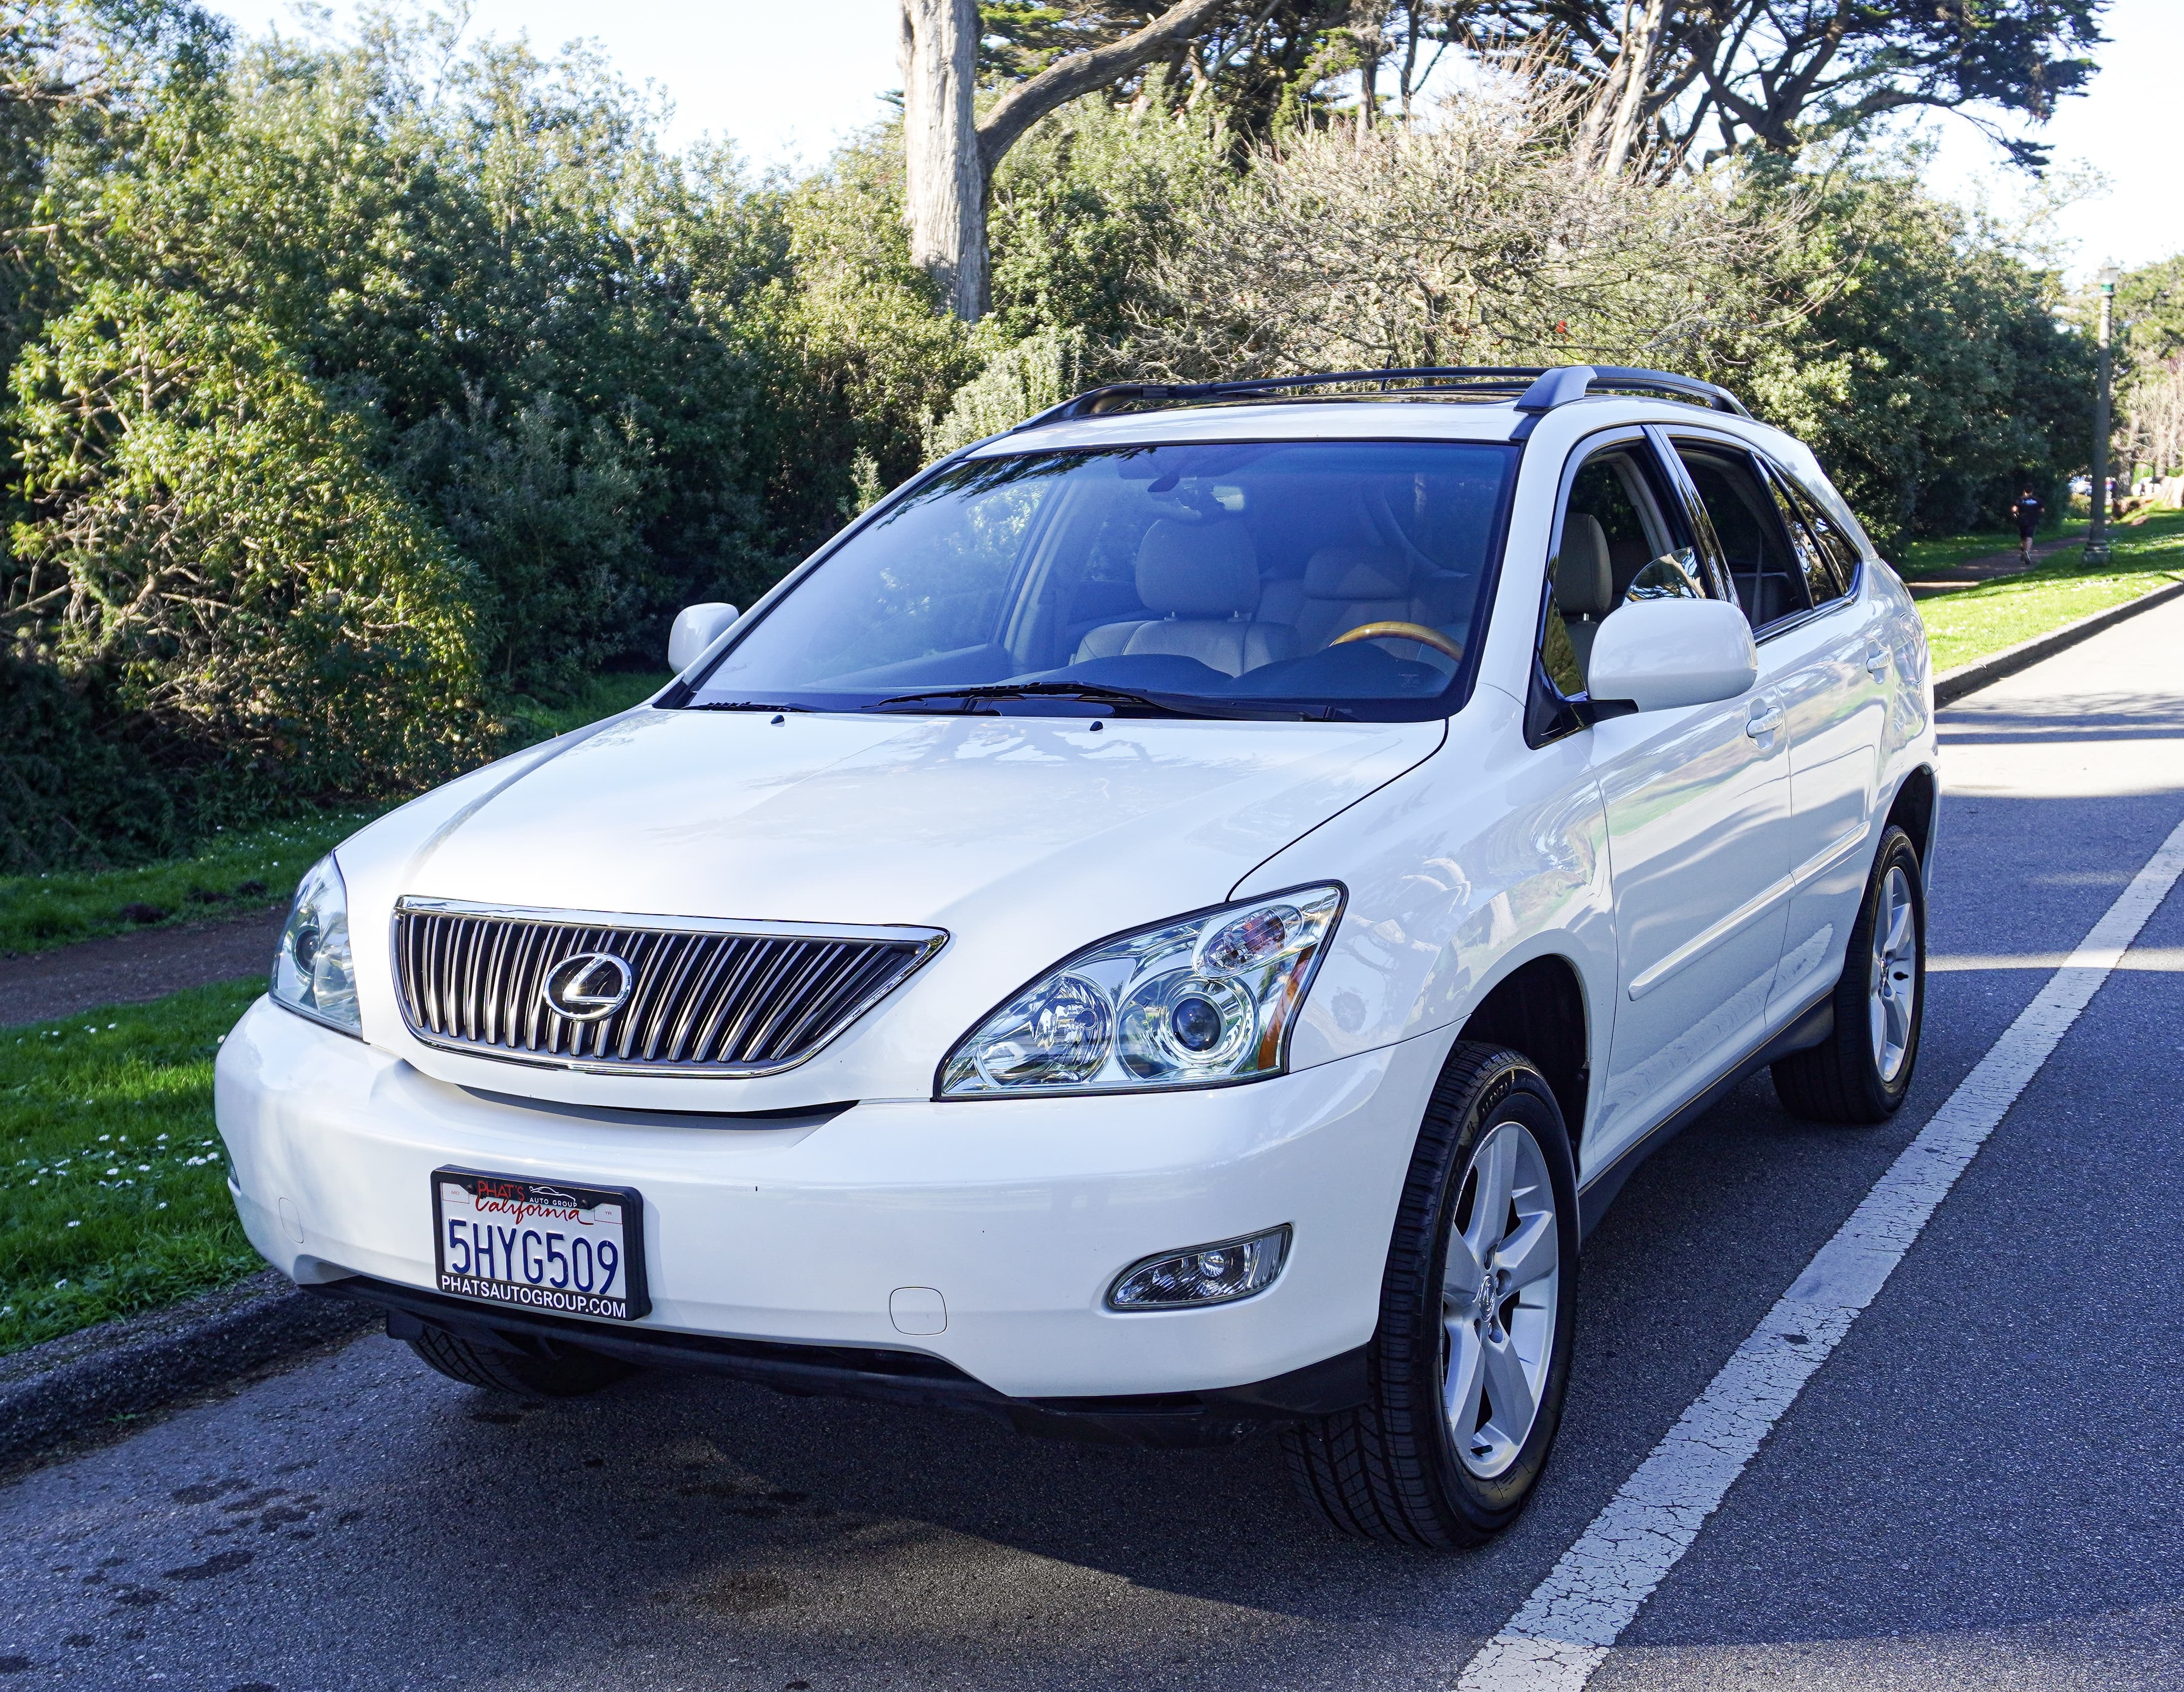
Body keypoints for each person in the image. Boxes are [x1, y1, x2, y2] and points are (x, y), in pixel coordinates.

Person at [2011, 486, 2044, 564]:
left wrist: (2015, 513)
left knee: (2023, 538)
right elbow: (2042, 510)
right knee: (2029, 537)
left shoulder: (2020, 499)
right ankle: (2027, 552)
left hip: (2022, 520)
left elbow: (2014, 509)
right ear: (2032, 491)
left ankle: (2023, 551)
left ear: (2024, 491)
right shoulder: (2038, 500)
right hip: (2032, 521)